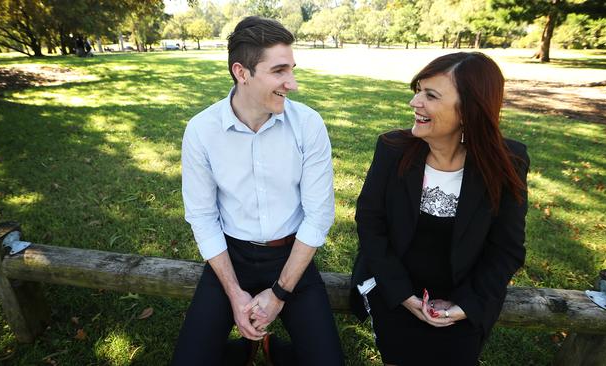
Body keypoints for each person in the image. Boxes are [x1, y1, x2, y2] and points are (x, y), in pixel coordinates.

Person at [172, 16, 344, 366]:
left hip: (292, 257)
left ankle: (273, 350)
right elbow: (203, 217)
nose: (292, 84)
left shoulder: (308, 125)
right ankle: (244, 349)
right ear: (242, 72)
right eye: (279, 71)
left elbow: (319, 215)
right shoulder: (202, 131)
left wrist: (279, 294)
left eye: (292, 69)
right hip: (230, 258)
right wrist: (235, 294)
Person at [350, 52, 530, 366]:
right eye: (417, 90)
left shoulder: (507, 163)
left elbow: (506, 249)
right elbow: (370, 224)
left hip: (464, 293)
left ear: (469, 111)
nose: (414, 102)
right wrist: (405, 296)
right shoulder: (393, 149)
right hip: (393, 283)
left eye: (430, 95)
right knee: (401, 353)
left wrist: (464, 306)